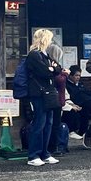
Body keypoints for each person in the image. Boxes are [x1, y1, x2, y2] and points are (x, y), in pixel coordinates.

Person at [24, 29, 62, 165]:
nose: (51, 42)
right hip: (38, 93)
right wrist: (51, 69)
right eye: (50, 39)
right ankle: (33, 155)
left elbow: (58, 68)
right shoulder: (34, 55)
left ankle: (45, 153)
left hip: (48, 93)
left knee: (48, 123)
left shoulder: (45, 55)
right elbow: (45, 72)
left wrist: (53, 69)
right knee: (39, 123)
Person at [63, 65, 91, 139]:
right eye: (76, 75)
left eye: (79, 75)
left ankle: (86, 131)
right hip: (73, 103)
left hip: (82, 103)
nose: (78, 77)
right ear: (70, 76)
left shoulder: (80, 84)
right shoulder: (67, 85)